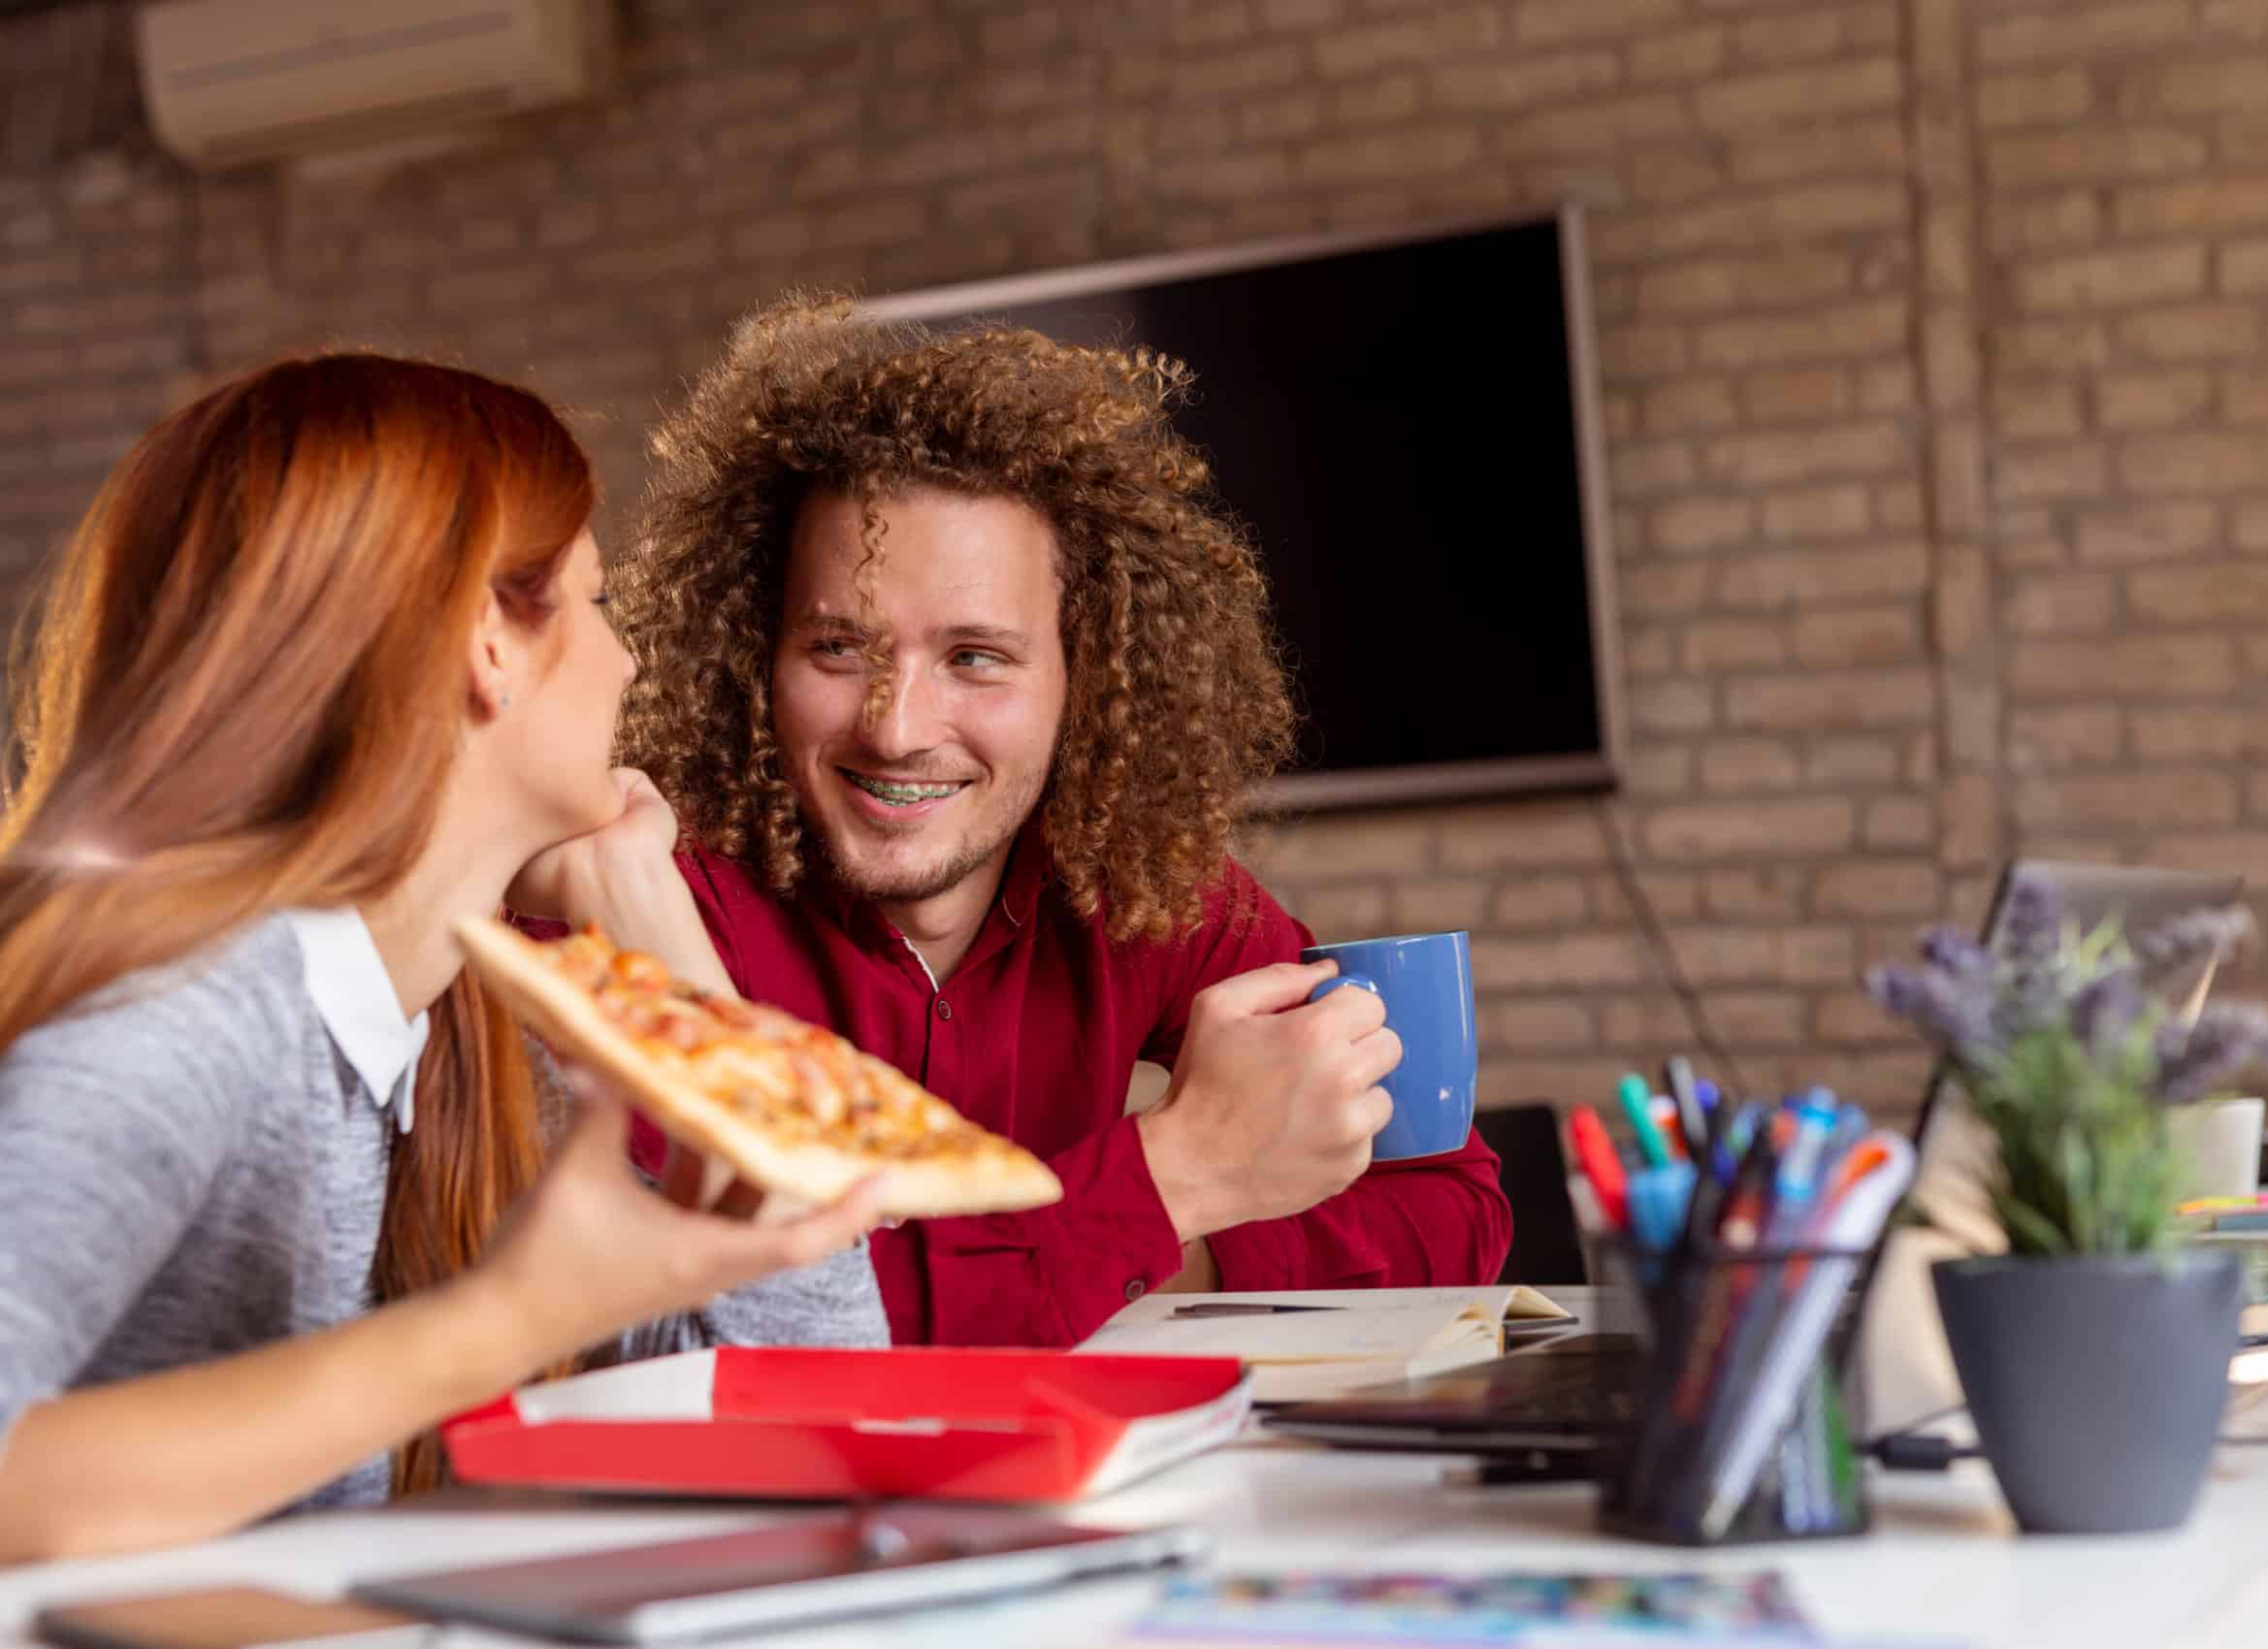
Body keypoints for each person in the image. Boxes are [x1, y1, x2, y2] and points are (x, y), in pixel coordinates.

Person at [0, 355, 887, 1563]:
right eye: (596, 599)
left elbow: (836, 1406)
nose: (627, 663)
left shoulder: (453, 1030)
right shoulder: (183, 1018)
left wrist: (667, 944)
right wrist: (505, 1319)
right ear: (488, 639)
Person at [527, 294, 1510, 1348]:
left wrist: (1153, 1229)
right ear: (754, 656)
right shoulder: (628, 903)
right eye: (838, 649)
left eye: (975, 657)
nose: (897, 728)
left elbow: (1454, 1206)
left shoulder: (1144, 882)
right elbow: (688, 1326)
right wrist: (1170, 1178)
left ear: (1083, 677)